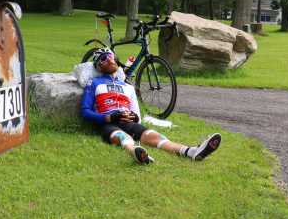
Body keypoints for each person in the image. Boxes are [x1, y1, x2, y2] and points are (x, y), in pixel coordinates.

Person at [80, 48, 221, 165]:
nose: (109, 59)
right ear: (98, 67)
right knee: (123, 137)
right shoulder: (94, 83)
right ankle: (135, 152)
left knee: (154, 135)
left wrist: (134, 117)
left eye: (110, 55)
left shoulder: (127, 86)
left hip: (128, 122)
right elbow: (85, 111)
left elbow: (137, 117)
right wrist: (109, 117)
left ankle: (191, 151)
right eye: (103, 59)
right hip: (108, 124)